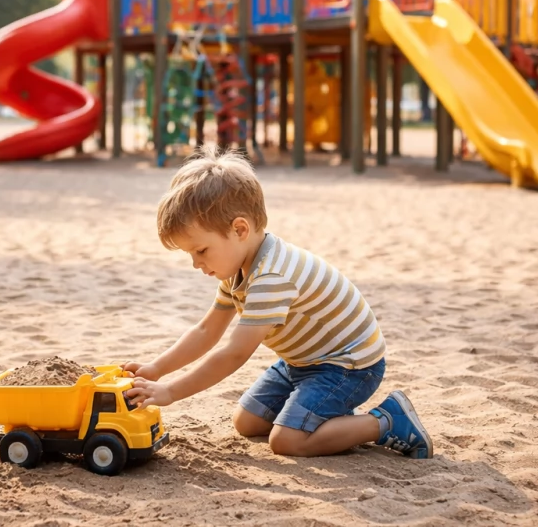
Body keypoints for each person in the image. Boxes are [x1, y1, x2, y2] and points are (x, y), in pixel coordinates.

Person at [123, 145, 433, 459]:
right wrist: (156, 369)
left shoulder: (272, 277)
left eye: (201, 251)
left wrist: (171, 392)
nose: (196, 263)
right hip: (303, 361)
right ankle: (327, 420)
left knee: (287, 442)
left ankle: (388, 420)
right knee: (248, 422)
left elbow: (234, 353)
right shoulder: (238, 269)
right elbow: (207, 331)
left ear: (239, 229)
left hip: (349, 366)